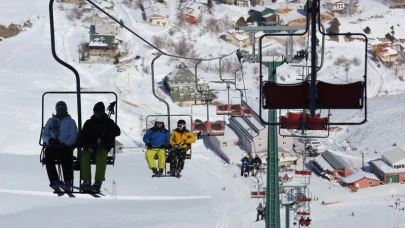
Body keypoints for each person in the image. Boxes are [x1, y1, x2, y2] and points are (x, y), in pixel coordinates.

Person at [80, 102, 120, 192]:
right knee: (84, 156)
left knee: (101, 157)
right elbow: (82, 135)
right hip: (89, 146)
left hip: (102, 147)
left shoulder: (108, 122)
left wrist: (108, 130)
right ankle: (86, 181)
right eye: (96, 112)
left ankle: (98, 182)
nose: (97, 115)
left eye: (99, 113)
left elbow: (117, 132)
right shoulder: (89, 123)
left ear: (102, 112)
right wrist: (87, 145)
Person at [42, 101, 78, 189]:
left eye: (63, 110)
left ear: (66, 111)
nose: (61, 112)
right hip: (52, 145)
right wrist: (50, 140)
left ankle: (68, 180)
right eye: (59, 110)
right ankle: (54, 179)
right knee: (48, 155)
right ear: (57, 111)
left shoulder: (71, 122)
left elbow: (74, 136)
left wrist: (65, 144)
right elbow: (44, 134)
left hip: (65, 146)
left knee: (66, 155)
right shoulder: (51, 121)